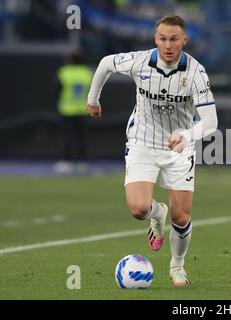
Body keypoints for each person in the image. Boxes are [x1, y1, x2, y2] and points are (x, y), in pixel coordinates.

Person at [86, 15, 218, 286]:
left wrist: (186, 135)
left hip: (179, 146)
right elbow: (105, 64)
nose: (168, 45)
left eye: (174, 39)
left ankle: (177, 266)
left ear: (184, 40)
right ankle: (157, 214)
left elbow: (211, 122)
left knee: (181, 216)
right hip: (142, 142)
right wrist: (93, 100)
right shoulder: (140, 61)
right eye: (163, 38)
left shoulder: (196, 72)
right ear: (155, 39)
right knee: (138, 208)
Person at [55, 51, 93, 173]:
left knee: (68, 136)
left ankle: (66, 162)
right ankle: (82, 162)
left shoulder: (64, 72)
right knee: (81, 137)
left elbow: (56, 90)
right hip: (83, 109)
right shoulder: (86, 72)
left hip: (67, 109)